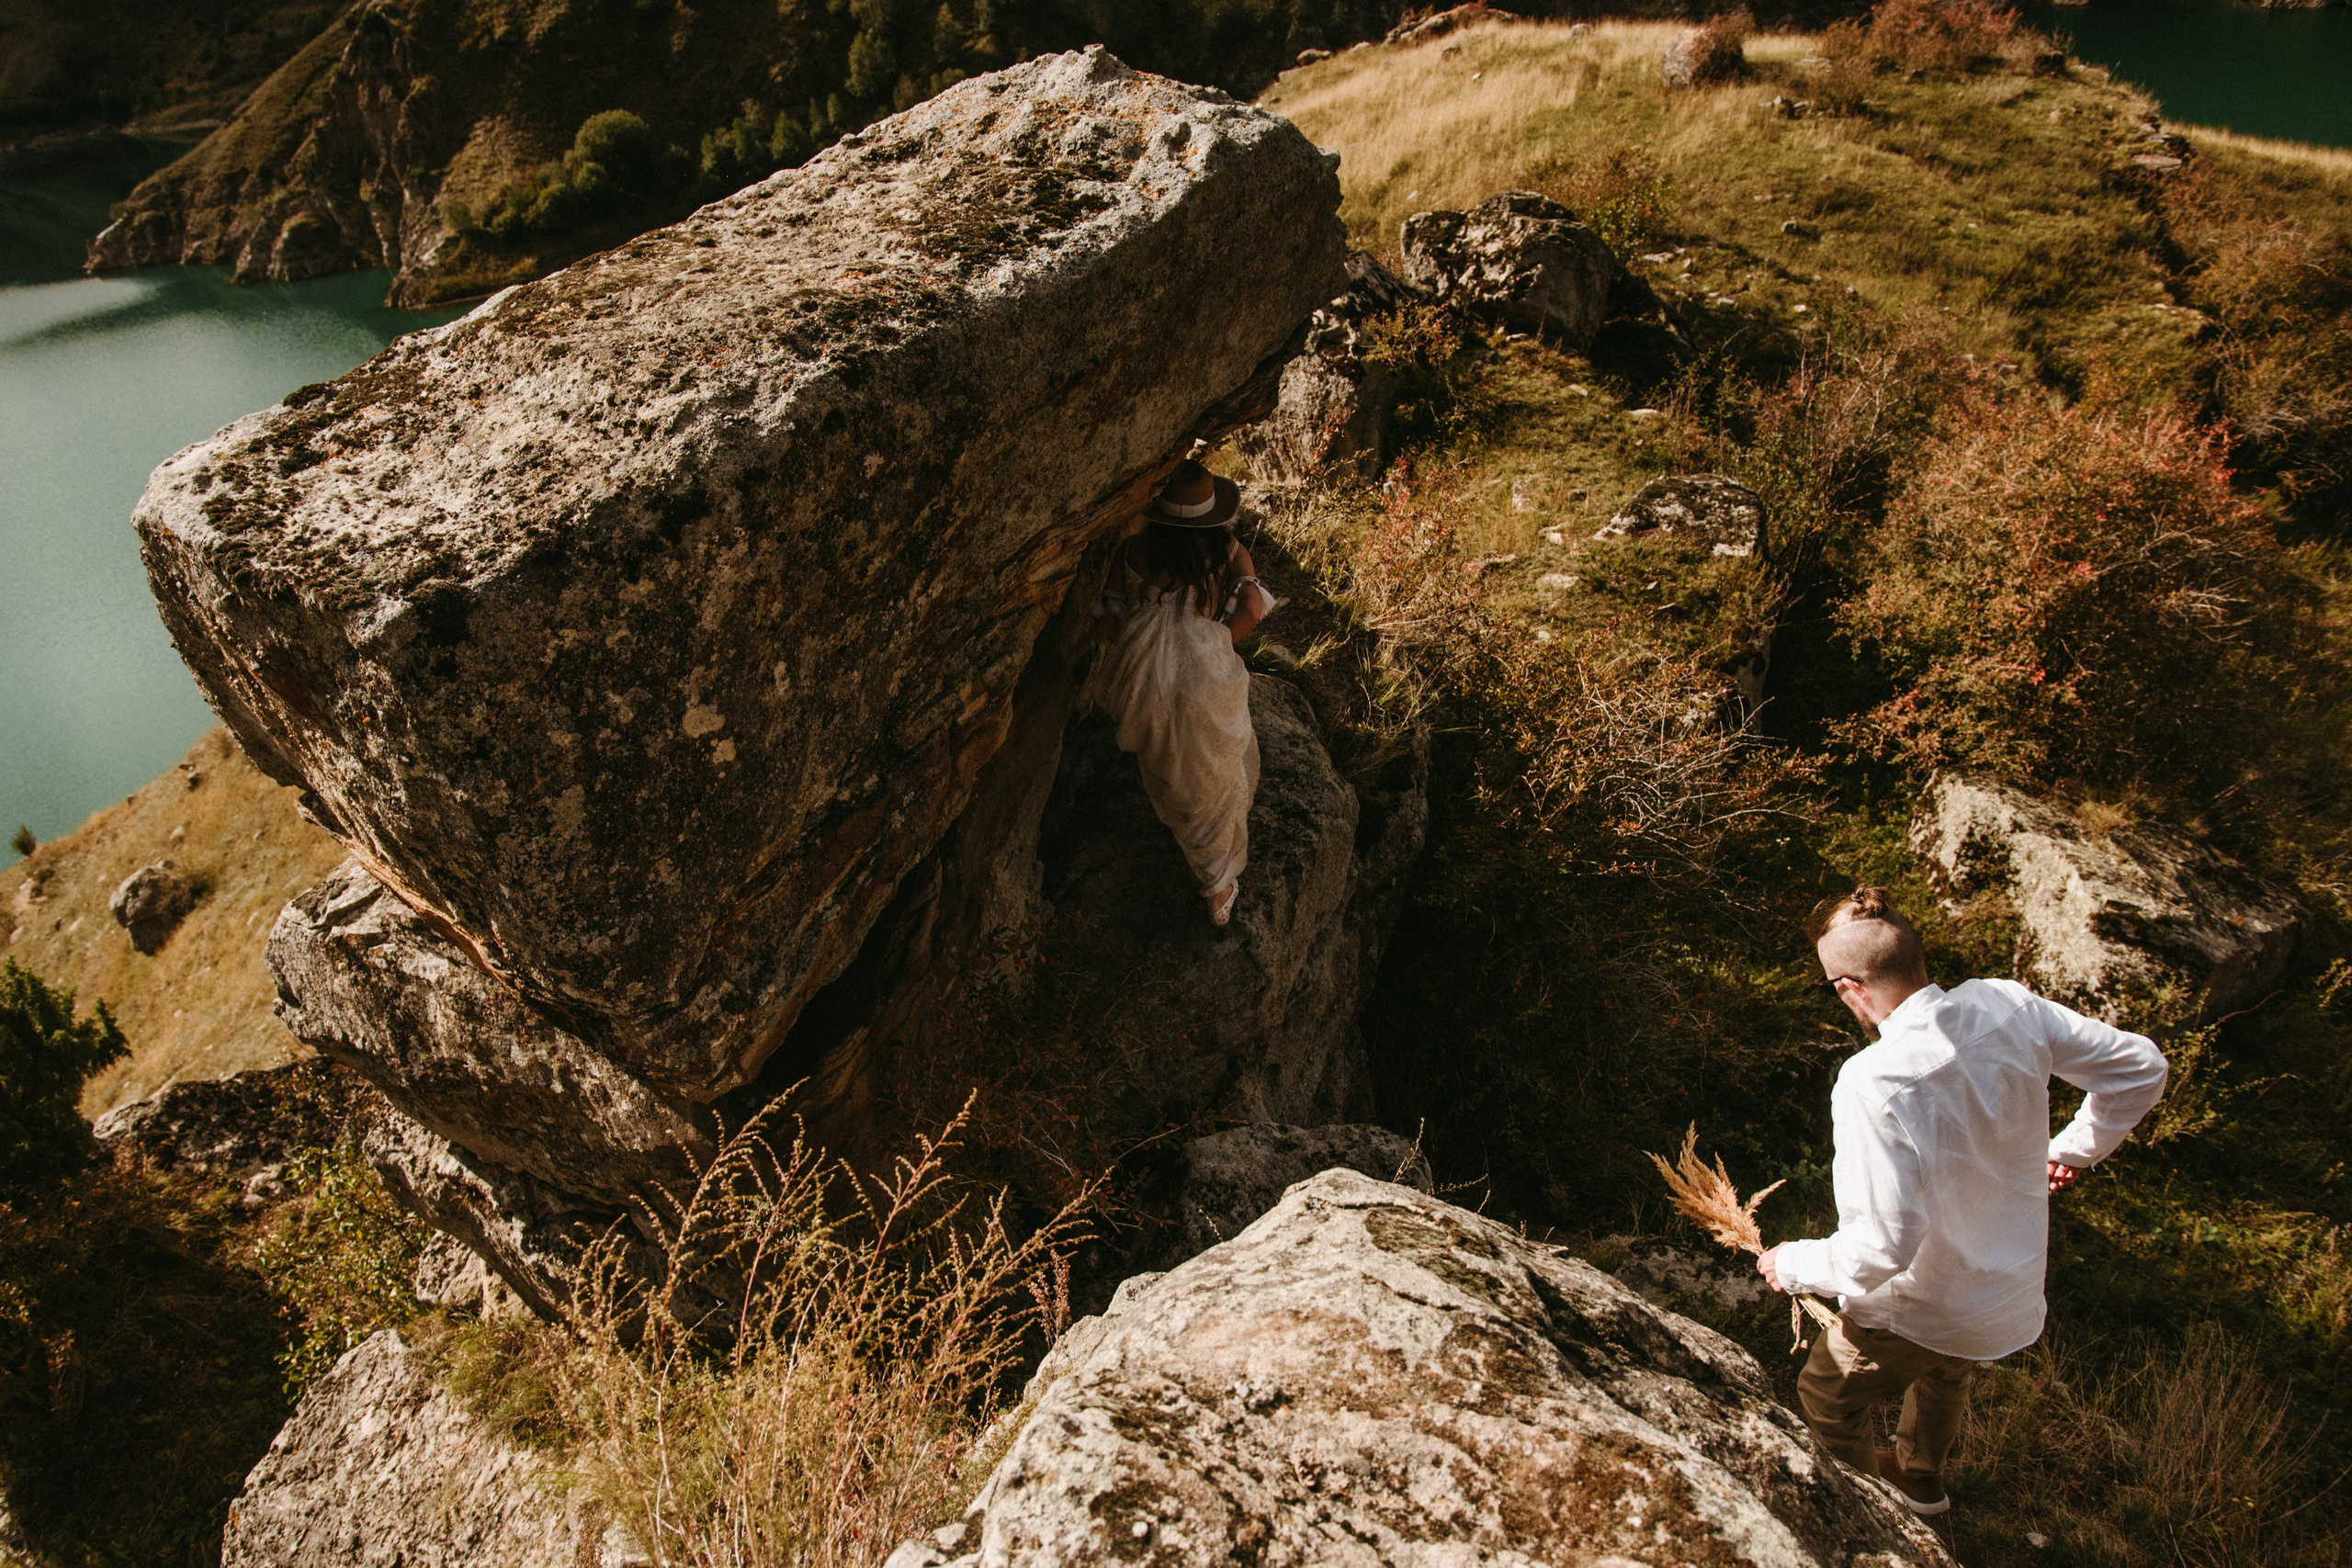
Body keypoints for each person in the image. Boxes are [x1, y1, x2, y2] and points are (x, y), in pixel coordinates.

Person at [1758, 887, 2168, 1517]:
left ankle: (1876, 1523)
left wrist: (1791, 1263)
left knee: (1827, 1396)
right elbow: (2140, 1066)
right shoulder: (2007, 1003)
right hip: (2000, 1292)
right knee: (1945, 1369)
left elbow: (1881, 1247)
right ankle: (1921, 1479)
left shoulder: (1873, 1082)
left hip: (1922, 1303)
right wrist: (2077, 1148)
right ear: (1917, 956)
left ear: (1849, 988)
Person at [1083, 459, 1273, 927]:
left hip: (1141, 669)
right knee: (1212, 769)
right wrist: (1212, 642)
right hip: (1203, 663)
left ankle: (1208, 870)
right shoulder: (1226, 549)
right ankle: (1217, 884)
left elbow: (1108, 623)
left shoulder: (1132, 550)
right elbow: (1252, 606)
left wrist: (1144, 642)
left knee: (1168, 762)